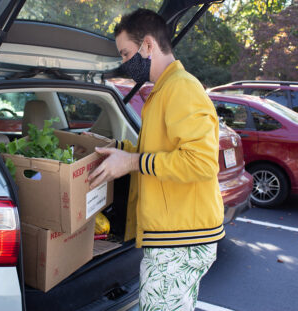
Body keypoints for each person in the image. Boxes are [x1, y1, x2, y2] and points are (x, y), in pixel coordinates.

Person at [88, 8, 225, 311]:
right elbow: (161, 150)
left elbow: (200, 162)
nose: (124, 63)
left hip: (181, 239)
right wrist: (118, 149)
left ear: (148, 45)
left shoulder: (182, 88)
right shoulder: (163, 90)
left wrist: (132, 162)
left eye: (126, 53)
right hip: (176, 236)